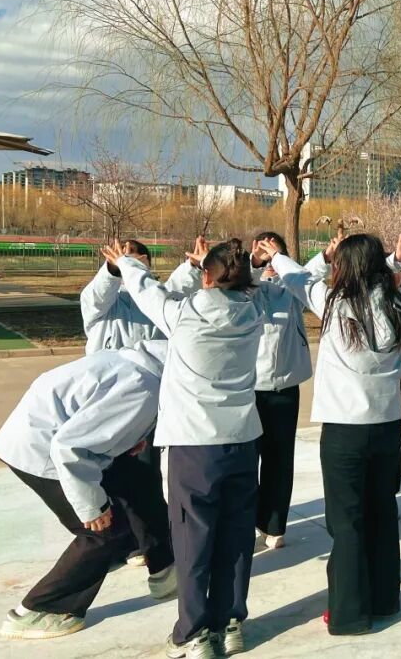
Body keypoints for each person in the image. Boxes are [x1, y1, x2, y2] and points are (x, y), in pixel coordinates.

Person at [109, 237, 264, 659]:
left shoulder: (185, 313)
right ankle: (230, 623)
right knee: (236, 537)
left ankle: (194, 634)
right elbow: (249, 284)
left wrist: (126, 261)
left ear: (206, 278)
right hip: (242, 441)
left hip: (195, 447)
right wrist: (217, 268)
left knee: (194, 539)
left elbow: (145, 289)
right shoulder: (253, 311)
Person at [261, 232, 401, 635]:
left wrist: (278, 256)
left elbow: (299, 281)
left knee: (347, 522)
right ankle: (385, 598)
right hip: (386, 424)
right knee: (382, 512)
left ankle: (349, 613)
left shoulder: (335, 304)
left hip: (345, 429)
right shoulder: (397, 304)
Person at [0, 341, 177, 641]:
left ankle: (165, 569)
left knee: (138, 480)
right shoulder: (142, 389)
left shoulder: (140, 364)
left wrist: (130, 435)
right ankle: (39, 611)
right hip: (41, 453)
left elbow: (94, 417)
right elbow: (69, 448)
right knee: (105, 530)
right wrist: (93, 506)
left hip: (48, 435)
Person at [80, 237, 202, 565]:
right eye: (125, 256)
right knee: (108, 473)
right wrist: (113, 269)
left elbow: (176, 287)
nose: (131, 261)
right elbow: (98, 293)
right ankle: (123, 539)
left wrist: (192, 266)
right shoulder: (103, 302)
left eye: (137, 257)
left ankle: (149, 542)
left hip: (144, 401)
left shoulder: (154, 299)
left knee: (145, 473)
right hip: (106, 401)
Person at [248, 232, 329, 550]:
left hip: (285, 388)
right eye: (262, 251)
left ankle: (273, 523)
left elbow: (307, 276)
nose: (268, 259)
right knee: (246, 460)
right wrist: (256, 263)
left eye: (273, 252)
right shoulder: (248, 287)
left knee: (279, 459)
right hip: (250, 389)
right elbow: (245, 280)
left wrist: (325, 257)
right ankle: (246, 520)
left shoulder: (290, 288)